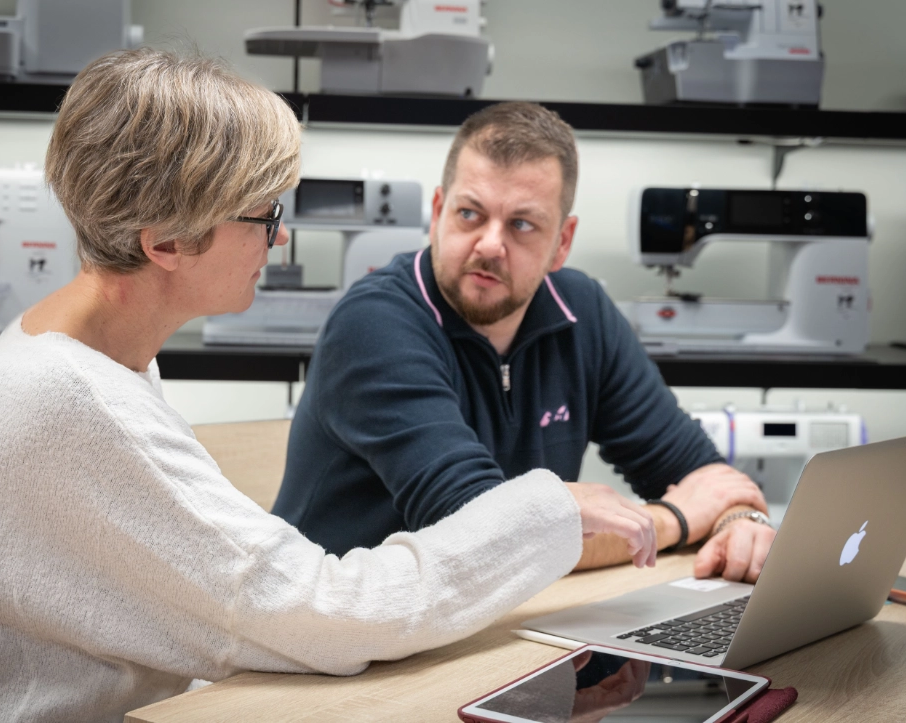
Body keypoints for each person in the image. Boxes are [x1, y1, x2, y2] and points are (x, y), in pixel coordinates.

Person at [0, 51, 660, 723]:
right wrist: (548, 506)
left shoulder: (93, 357)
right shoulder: (67, 405)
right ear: (166, 242)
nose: (278, 236)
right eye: (263, 214)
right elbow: (334, 614)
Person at [273, 102, 776, 582]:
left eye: (521, 224)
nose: (491, 244)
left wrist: (737, 522)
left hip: (500, 628)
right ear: (437, 211)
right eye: (470, 214)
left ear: (562, 242)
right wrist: (675, 519)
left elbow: (697, 472)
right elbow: (483, 535)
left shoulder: (582, 310)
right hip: (351, 648)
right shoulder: (374, 324)